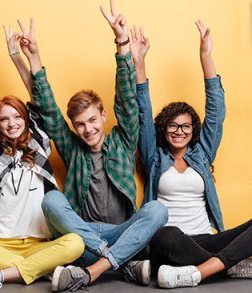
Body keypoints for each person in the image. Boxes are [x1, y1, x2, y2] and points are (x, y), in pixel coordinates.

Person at [20, 1, 168, 291]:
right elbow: (49, 110)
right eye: (80, 124)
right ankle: (119, 263)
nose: (88, 129)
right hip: (83, 237)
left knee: (157, 210)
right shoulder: (73, 147)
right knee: (51, 201)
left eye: (92, 120)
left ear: (103, 115)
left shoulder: (123, 141)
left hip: (125, 233)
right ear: (74, 127)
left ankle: (103, 264)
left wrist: (121, 43)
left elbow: (127, 102)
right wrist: (35, 58)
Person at [0, 21, 85, 292]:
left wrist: (18, 56)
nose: (12, 123)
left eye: (17, 116)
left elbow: (39, 98)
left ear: (27, 120)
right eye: (4, 119)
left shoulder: (39, 143)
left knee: (75, 243)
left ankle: (4, 275)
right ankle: (40, 269)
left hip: (41, 241)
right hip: (1, 243)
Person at [133, 20, 252, 289]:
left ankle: (200, 271)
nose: (179, 131)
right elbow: (142, 110)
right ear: (163, 129)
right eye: (172, 126)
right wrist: (139, 62)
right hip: (169, 241)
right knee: (166, 235)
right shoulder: (155, 157)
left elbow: (216, 111)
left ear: (193, 130)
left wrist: (205, 56)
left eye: (185, 126)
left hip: (205, 239)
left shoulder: (202, 154)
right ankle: (229, 266)